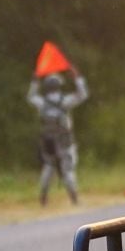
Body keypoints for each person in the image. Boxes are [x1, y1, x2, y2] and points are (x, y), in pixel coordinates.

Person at [27, 69, 88, 206]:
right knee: (67, 171)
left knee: (48, 169)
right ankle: (74, 199)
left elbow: (31, 97)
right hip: (65, 142)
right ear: (59, 86)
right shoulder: (65, 101)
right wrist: (78, 78)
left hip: (48, 143)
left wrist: (35, 81)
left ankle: (43, 198)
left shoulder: (42, 103)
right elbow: (82, 95)